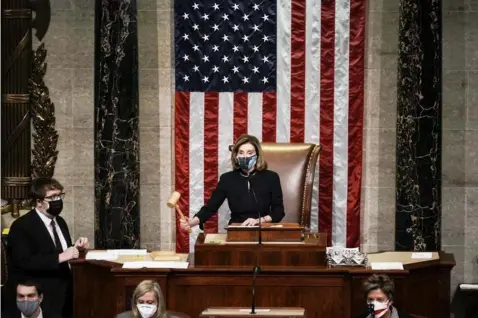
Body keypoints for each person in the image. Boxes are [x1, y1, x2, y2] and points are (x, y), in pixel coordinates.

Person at [5, 178, 89, 318]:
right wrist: (61, 256)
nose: (58, 201)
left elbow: (61, 250)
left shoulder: (60, 221)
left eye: (59, 196)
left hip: (66, 293)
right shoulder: (22, 226)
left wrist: (76, 248)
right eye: (52, 197)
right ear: (38, 202)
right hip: (42, 298)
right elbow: (24, 262)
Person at [180, 134, 285, 231]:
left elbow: (278, 211)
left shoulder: (271, 177)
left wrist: (258, 221)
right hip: (237, 230)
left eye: (250, 152)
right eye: (241, 152)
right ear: (236, 156)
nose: (245, 156)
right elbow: (211, 207)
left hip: (264, 229)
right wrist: (191, 222)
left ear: (257, 155)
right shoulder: (227, 179)